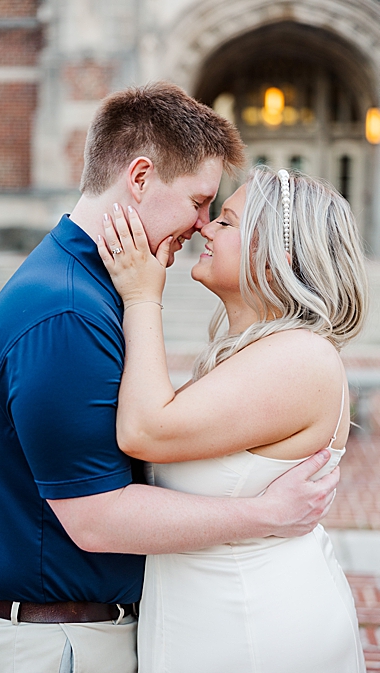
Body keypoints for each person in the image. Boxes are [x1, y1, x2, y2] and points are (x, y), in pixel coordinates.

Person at [0, 82, 340, 673]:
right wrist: (262, 516)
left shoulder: (98, 290)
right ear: (140, 178)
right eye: (200, 202)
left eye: (218, 214)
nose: (201, 225)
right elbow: (98, 517)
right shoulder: (70, 311)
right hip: (56, 645)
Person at [96, 166, 366, 671]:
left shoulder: (300, 359)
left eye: (226, 220)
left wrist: (140, 295)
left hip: (254, 627)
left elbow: (144, 430)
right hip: (208, 616)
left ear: (272, 261)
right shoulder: (256, 353)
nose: (204, 228)